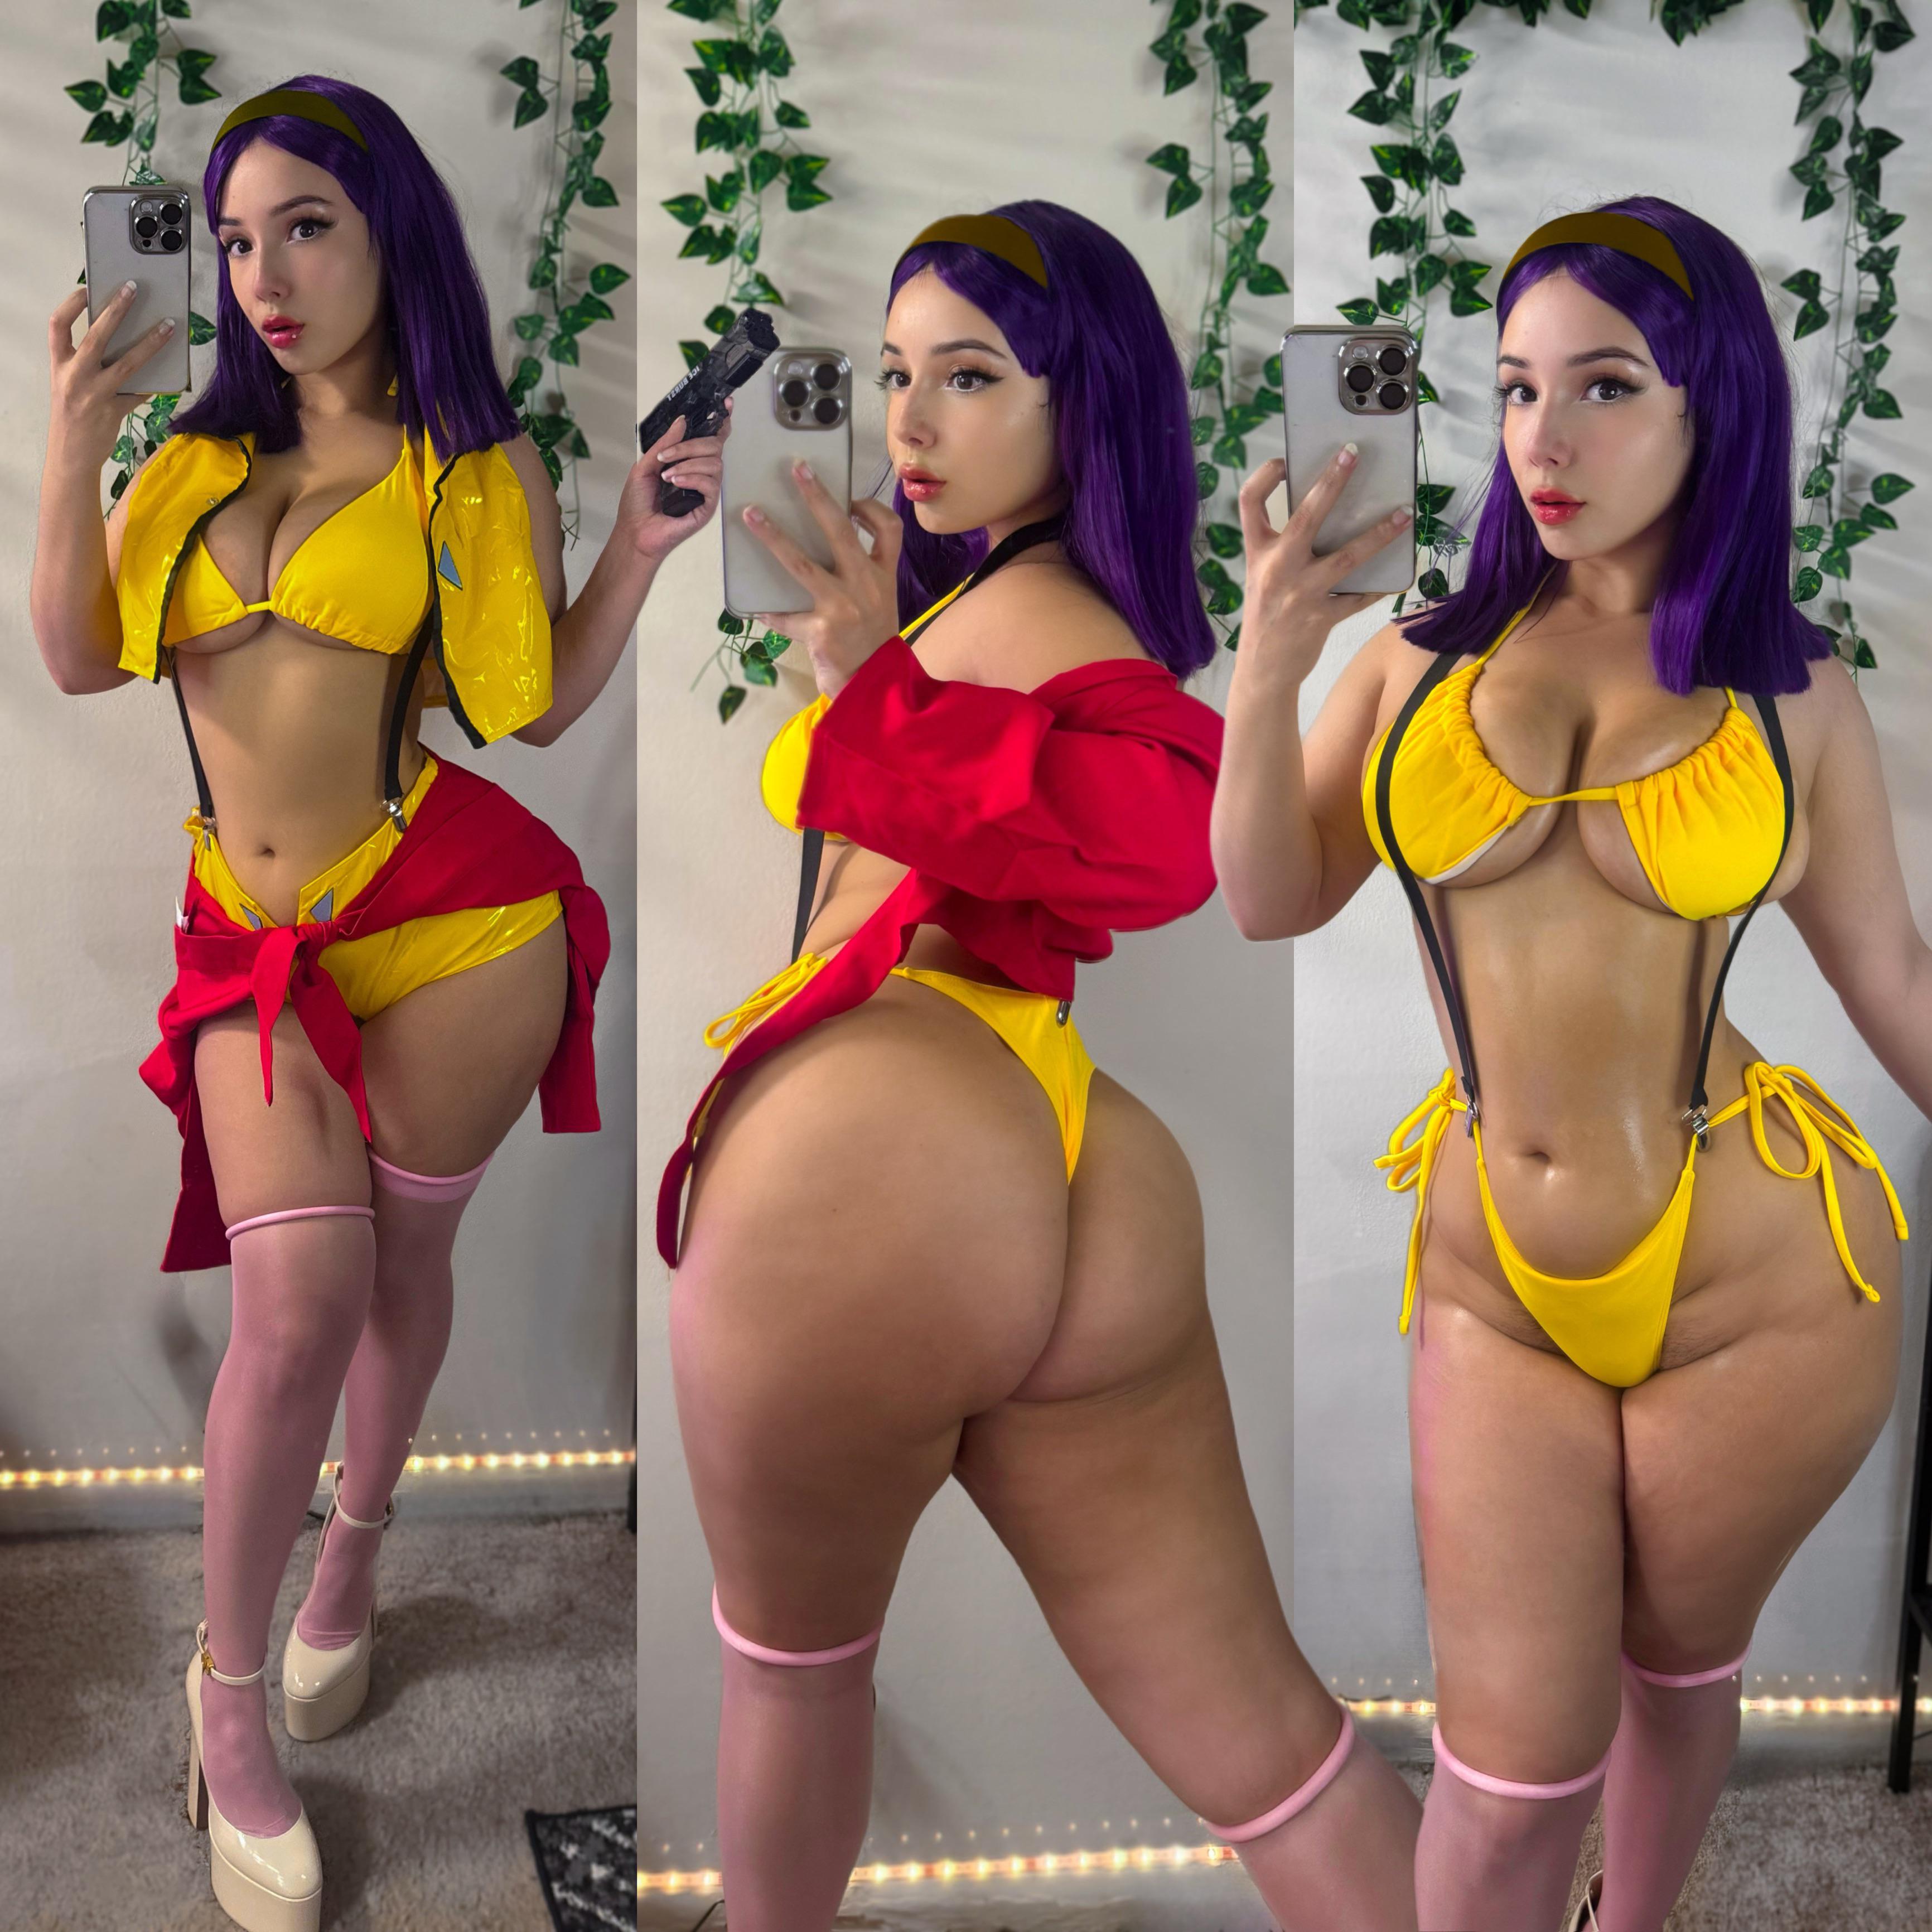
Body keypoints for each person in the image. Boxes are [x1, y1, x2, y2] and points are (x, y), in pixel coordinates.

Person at [658, 201, 1422, 1932]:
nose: (911, 420)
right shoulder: (1009, 607)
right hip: (1080, 1167)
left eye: (972, 376)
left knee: (792, 1672)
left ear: (1086, 403)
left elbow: (1164, 842)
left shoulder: (1036, 623)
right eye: (899, 375)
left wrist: (871, 685)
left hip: (872, 1163)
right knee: (1271, 1750)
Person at [32, 78, 719, 1932]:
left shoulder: (469, 468)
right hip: (252, 939)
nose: (263, 274)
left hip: (454, 921)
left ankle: (352, 1561)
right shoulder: (186, 460)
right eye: (234, 240)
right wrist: (75, 434)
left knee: (402, 1271)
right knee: (298, 1302)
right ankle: (226, 1696)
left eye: (306, 227)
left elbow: (528, 706)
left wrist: (638, 546)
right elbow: (80, 657)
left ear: (389, 231)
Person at [1214, 196, 1926, 1932]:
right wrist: (1271, 656)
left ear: (1711, 403)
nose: (1545, 438)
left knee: (1676, 1685)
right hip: (1496, 1284)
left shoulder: (1796, 688)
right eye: (1522, 387)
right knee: (1512, 1772)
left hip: (1765, 1288)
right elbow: (1267, 897)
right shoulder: (1416, 657)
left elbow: (1897, 982)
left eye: (1605, 386)